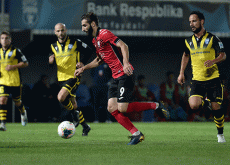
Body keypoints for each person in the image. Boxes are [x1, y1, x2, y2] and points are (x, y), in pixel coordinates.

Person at [75, 12, 170, 145]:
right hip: (115, 77)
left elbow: (123, 46)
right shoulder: (95, 40)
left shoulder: (104, 33)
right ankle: (136, 134)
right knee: (112, 108)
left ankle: (156, 105)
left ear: (93, 24)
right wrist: (83, 68)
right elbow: (99, 60)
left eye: (84, 25)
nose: (83, 29)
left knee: (122, 108)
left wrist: (125, 63)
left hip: (125, 74)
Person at [177, 11, 227, 143]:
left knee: (217, 108)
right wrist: (181, 72)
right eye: (190, 22)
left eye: (194, 21)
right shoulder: (188, 41)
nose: (191, 24)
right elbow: (186, 55)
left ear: (202, 21)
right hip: (197, 79)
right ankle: (207, 102)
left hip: (214, 79)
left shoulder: (213, 38)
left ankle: (220, 134)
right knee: (193, 105)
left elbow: (223, 55)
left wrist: (213, 61)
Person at [49, 23, 92, 136]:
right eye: (58, 31)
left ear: (66, 30)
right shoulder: (53, 46)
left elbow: (89, 50)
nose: (60, 33)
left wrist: (82, 62)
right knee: (73, 104)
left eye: (62, 30)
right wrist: (50, 62)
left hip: (74, 76)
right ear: (55, 32)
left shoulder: (75, 42)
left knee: (60, 97)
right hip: (61, 78)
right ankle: (85, 127)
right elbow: (51, 63)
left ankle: (73, 114)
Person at [0, 31, 28, 131]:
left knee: (17, 102)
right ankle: (3, 123)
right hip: (3, 81)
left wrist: (13, 66)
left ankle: (23, 112)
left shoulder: (16, 51)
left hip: (15, 81)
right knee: (2, 100)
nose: (4, 40)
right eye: (2, 38)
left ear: (10, 40)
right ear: (0, 40)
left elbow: (25, 63)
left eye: (6, 38)